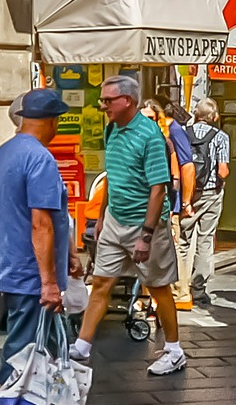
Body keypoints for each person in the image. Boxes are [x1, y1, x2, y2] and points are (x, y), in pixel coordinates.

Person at [72, 75, 185, 376]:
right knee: (101, 282)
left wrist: (147, 235)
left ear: (129, 101)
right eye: (102, 99)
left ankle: (174, 349)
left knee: (158, 287)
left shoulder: (149, 136)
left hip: (144, 224)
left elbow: (158, 188)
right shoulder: (113, 129)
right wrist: (102, 217)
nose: (102, 105)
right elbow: (112, 174)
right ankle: (82, 344)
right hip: (114, 220)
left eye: (108, 100)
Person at [0, 89, 74, 384]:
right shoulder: (40, 159)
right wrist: (49, 283)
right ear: (51, 121)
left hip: (10, 263)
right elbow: (41, 224)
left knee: (44, 346)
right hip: (31, 273)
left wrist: (69, 254)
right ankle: (9, 397)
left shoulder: (2, 154)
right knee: (22, 353)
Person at [142, 99, 200, 309]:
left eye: (151, 117)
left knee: (171, 250)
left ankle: (181, 294)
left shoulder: (171, 135)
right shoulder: (152, 138)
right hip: (151, 205)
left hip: (166, 205)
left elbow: (185, 168)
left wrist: (183, 202)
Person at [183, 99, 230, 306]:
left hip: (188, 193)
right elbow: (222, 170)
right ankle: (199, 288)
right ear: (215, 117)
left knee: (183, 241)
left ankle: (180, 287)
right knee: (205, 239)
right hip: (211, 193)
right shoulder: (221, 137)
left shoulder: (184, 132)